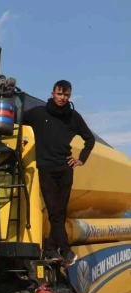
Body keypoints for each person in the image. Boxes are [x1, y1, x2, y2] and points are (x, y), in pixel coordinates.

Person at [22, 80, 96, 266]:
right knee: (55, 212)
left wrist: (81, 159)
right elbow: (17, 120)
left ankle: (51, 248)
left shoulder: (73, 116)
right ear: (53, 93)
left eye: (66, 95)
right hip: (46, 169)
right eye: (59, 94)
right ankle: (66, 250)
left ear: (69, 96)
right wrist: (21, 140)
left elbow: (89, 139)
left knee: (60, 213)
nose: (62, 98)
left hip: (65, 169)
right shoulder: (39, 113)